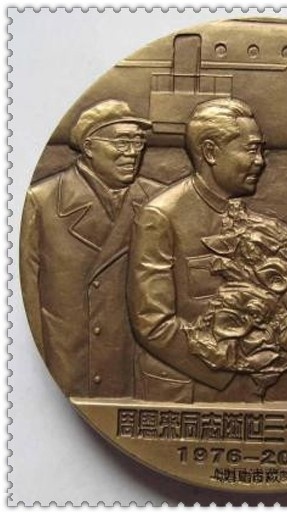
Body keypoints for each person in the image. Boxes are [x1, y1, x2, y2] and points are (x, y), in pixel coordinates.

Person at [20, 100, 165, 397]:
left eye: (138, 142)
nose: (132, 152)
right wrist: (37, 372)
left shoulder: (160, 200)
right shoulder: (42, 201)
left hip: (133, 371)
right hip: (69, 366)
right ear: (89, 147)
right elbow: (28, 296)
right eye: (122, 142)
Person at [128, 98, 268, 402]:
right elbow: (153, 323)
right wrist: (234, 366)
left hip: (244, 389)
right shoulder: (160, 216)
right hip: (185, 390)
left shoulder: (243, 215)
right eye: (250, 149)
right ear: (210, 152)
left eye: (261, 151)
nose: (260, 161)